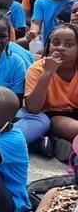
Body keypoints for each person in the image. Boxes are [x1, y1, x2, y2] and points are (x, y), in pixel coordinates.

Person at [24, 23, 78, 159]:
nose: (60, 48)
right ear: (48, 47)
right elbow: (33, 108)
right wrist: (47, 73)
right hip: (53, 115)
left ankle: (60, 143)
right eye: (55, 43)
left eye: (69, 44)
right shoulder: (37, 69)